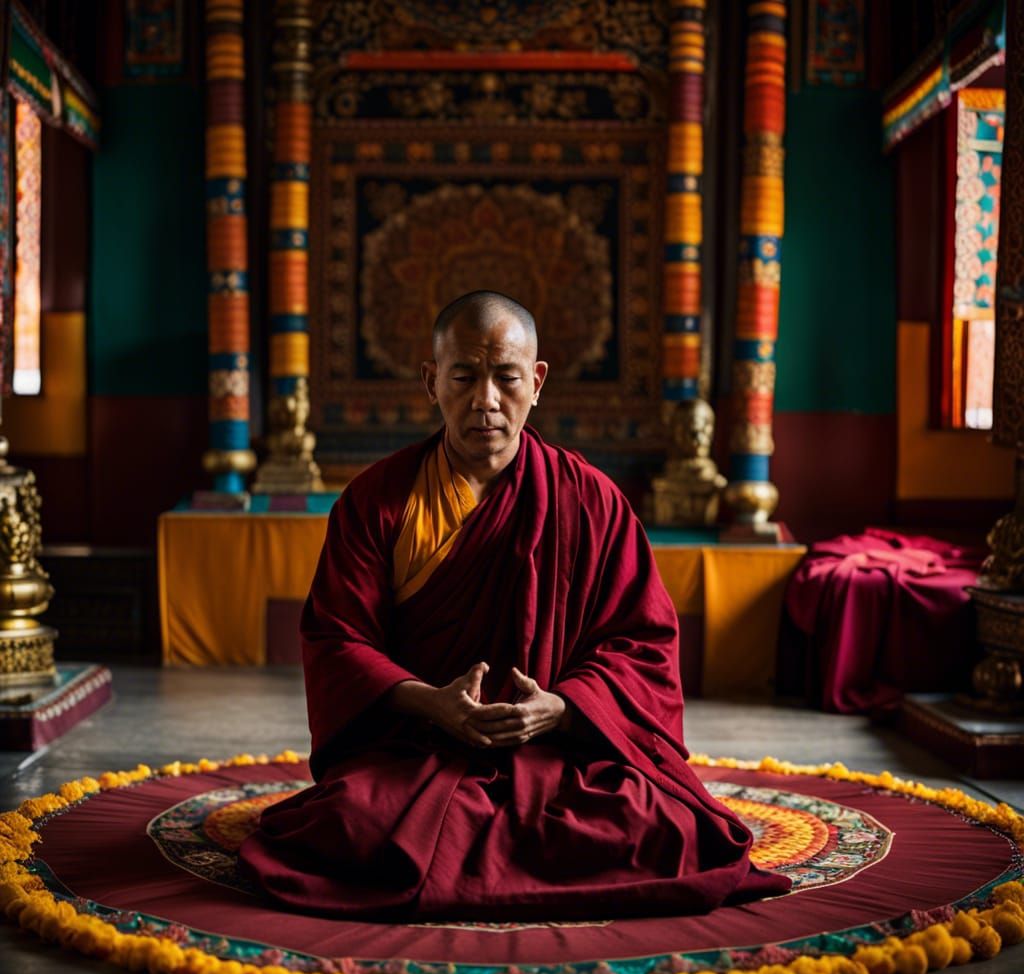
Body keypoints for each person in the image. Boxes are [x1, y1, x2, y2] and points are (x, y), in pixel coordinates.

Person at [238, 290, 791, 920]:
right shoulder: (377, 501)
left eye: (505, 378)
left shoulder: (589, 500)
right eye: (464, 377)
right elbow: (339, 642)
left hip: (562, 749)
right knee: (349, 823)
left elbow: (642, 643)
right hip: (417, 747)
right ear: (430, 381)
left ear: (537, 380)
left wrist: (561, 707)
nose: (486, 402)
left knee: (664, 828)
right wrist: (432, 703)